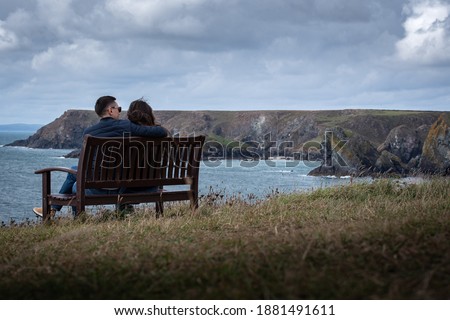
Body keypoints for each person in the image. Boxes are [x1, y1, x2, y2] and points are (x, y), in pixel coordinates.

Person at [33, 96, 168, 218]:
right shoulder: (126, 126)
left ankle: (64, 214)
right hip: (121, 182)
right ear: (110, 110)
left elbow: (85, 164)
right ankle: (54, 210)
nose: (120, 111)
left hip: (99, 185)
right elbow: (160, 131)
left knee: (75, 182)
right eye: (118, 109)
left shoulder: (89, 132)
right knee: (75, 173)